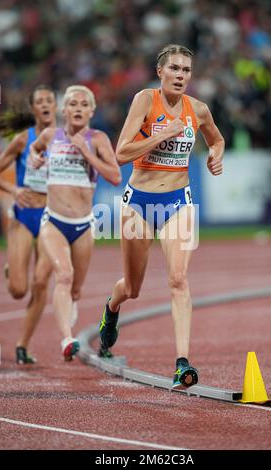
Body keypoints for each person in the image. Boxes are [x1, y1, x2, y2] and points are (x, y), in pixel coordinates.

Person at [99, 44, 224, 388]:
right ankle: (111, 309)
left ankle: (182, 361)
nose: (181, 75)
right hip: (138, 203)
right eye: (175, 69)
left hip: (178, 202)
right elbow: (120, 154)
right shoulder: (144, 100)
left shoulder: (197, 109)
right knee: (132, 288)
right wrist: (159, 136)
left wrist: (215, 155)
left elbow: (217, 139)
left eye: (186, 70)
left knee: (179, 280)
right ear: (161, 72)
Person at [30, 85, 121, 361]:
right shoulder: (50, 135)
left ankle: (71, 305)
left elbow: (116, 176)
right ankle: (67, 339)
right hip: (54, 221)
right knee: (64, 275)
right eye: (73, 104)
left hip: (83, 224)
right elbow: (36, 149)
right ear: (64, 110)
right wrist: (35, 157)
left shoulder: (98, 138)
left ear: (91, 111)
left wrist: (86, 152)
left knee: (76, 288)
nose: (78, 108)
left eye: (84, 104)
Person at [0, 85, 57, 364]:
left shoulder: (67, 140)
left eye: (49, 100)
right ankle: (12, 270)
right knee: (19, 290)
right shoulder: (23, 139)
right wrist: (12, 191)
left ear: (55, 106)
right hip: (23, 216)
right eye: (40, 101)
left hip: (51, 218)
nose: (45, 104)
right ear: (34, 109)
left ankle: (22, 344)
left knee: (41, 282)